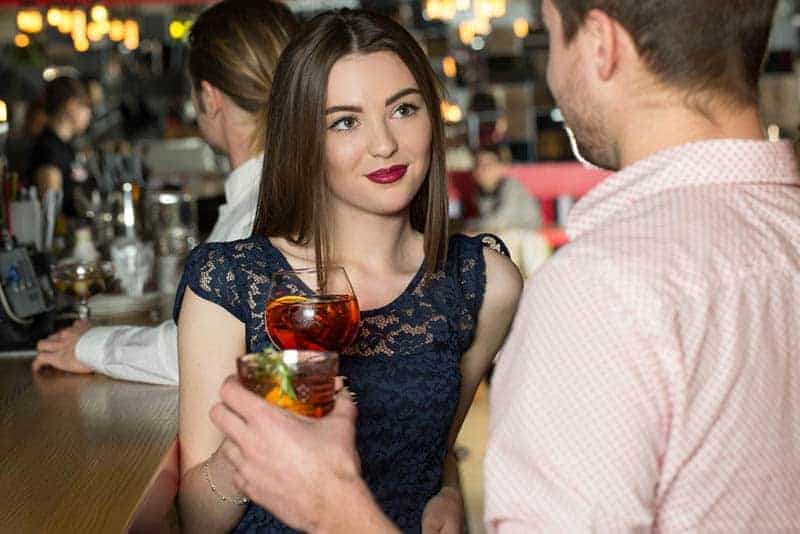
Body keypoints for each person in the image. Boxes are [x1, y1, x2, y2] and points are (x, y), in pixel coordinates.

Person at [211, 0, 800, 531]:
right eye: (344, 120)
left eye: (550, 35)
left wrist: (333, 508)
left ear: (600, 44)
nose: (383, 144)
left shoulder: (600, 291)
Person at [173, 8, 521, 533]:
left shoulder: (484, 284)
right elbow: (198, 521)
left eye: (403, 110)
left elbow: (436, 449)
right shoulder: (231, 281)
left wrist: (449, 494)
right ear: (302, 138)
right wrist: (255, 434)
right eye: (345, 121)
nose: (383, 144)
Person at [32, 0, 299, 383]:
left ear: (208, 97)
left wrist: (89, 345)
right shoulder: (274, 191)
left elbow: (198, 352)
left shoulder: (262, 209)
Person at [467, 144, 547, 278]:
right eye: (478, 165)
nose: (482, 169)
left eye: (488, 165)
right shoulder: (480, 193)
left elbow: (500, 220)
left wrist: (469, 228)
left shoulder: (510, 186)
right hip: (506, 235)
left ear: (500, 167)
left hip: (528, 235)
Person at [25, 76, 92, 217]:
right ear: (71, 105)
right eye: (86, 106)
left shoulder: (64, 147)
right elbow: (51, 210)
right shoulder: (49, 150)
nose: (89, 114)